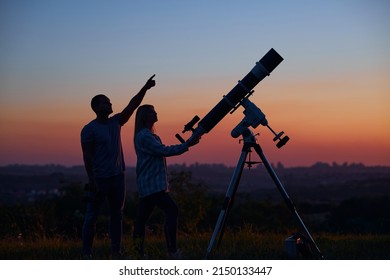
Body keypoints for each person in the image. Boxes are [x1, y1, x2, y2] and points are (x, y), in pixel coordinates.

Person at [80, 75, 156, 259]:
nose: (110, 104)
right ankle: (86, 255)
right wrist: (91, 180)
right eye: (106, 103)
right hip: (99, 179)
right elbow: (87, 156)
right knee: (92, 217)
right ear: (97, 108)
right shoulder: (89, 129)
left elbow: (132, 105)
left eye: (109, 102)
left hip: (117, 177)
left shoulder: (116, 122)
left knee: (117, 216)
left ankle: (116, 253)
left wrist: (144, 88)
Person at [132, 104, 200, 259]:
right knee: (172, 210)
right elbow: (164, 151)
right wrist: (187, 144)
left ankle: (137, 253)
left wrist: (187, 144)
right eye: (152, 112)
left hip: (151, 183)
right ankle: (172, 251)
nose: (155, 113)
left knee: (141, 219)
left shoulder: (149, 135)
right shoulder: (145, 136)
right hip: (152, 184)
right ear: (144, 117)